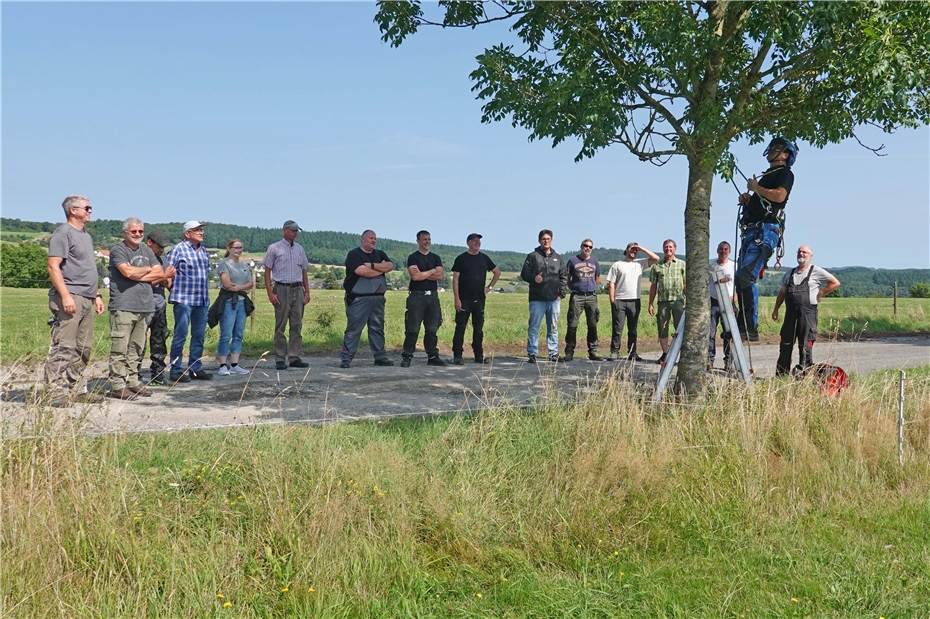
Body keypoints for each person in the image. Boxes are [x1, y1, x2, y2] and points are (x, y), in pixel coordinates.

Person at [44, 195, 106, 406]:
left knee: (83, 347)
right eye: (87, 207)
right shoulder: (63, 234)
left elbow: (88, 269)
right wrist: (65, 296)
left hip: (87, 297)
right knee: (64, 346)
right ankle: (54, 392)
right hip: (71, 296)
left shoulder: (85, 236)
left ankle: (76, 389)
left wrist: (96, 295)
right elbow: (53, 266)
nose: (90, 211)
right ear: (73, 210)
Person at [736, 136, 798, 342]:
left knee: (746, 276)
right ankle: (742, 323)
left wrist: (756, 189)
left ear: (786, 154)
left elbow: (779, 196)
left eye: (777, 148)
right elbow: (763, 202)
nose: (771, 150)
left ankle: (749, 326)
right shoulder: (768, 175)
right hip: (752, 231)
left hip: (764, 233)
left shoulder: (785, 174)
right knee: (740, 278)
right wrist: (749, 201)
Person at [106, 218, 169, 399]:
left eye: (141, 231)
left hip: (145, 306)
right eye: (134, 232)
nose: (138, 235)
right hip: (124, 305)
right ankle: (118, 384)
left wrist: (138, 272)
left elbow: (159, 273)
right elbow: (127, 272)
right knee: (120, 347)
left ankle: (132, 381)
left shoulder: (146, 250)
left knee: (137, 347)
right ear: (125, 232)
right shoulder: (118, 250)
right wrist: (147, 271)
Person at [772, 245, 840, 376]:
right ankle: (782, 375)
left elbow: (835, 282)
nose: (801, 254)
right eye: (799, 252)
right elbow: (782, 292)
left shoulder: (816, 271)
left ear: (810, 256)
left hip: (808, 315)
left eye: (804, 252)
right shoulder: (789, 273)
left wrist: (821, 292)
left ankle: (804, 375)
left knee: (805, 346)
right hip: (790, 315)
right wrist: (776, 309)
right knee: (786, 344)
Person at [340, 230, 395, 368]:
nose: (373, 240)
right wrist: (380, 269)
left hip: (377, 299)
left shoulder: (380, 253)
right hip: (359, 299)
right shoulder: (354, 254)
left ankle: (380, 357)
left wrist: (371, 265)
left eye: (375, 238)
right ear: (363, 239)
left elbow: (390, 266)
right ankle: (346, 359)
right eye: (371, 238)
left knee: (377, 328)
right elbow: (362, 272)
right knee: (354, 329)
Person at [167, 221, 212, 382]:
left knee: (199, 335)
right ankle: (175, 370)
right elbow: (167, 272)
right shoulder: (178, 249)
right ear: (187, 234)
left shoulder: (204, 251)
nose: (201, 232)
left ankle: (195, 368)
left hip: (201, 300)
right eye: (197, 230)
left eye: (202, 230)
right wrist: (172, 290)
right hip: (183, 299)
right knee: (181, 335)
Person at [263, 220, 310, 370]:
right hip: (281, 288)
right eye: (293, 230)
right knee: (281, 325)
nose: (295, 233)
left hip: (298, 289)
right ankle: (280, 358)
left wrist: (307, 291)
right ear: (285, 230)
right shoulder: (274, 248)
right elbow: (267, 271)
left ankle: (294, 356)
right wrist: (270, 293)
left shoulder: (300, 249)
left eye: (296, 231)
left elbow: (304, 272)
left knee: (297, 324)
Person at [451, 233, 500, 365]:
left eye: (478, 241)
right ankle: (457, 355)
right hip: (464, 299)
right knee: (460, 327)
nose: (477, 243)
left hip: (479, 300)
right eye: (474, 241)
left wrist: (489, 287)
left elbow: (497, 272)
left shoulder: (484, 258)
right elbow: (455, 279)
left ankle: (478, 355)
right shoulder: (461, 258)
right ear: (468, 243)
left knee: (478, 329)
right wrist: (457, 298)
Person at [520, 229, 568, 363]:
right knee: (534, 327)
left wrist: (562, 292)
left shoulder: (558, 257)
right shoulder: (532, 256)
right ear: (539, 240)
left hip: (554, 299)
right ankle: (532, 353)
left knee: (553, 328)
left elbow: (564, 276)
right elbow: (524, 274)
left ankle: (553, 353)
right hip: (537, 298)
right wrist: (533, 278)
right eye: (543, 239)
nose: (545, 241)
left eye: (548, 239)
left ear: (551, 240)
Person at [606, 241, 659, 362]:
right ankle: (614, 352)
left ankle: (632, 352)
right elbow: (611, 283)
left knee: (633, 329)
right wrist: (612, 300)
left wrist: (640, 248)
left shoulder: (639, 264)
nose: (634, 251)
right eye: (632, 249)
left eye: (636, 250)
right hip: (620, 300)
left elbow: (656, 258)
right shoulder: (617, 264)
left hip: (635, 300)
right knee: (617, 328)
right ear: (626, 250)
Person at [401, 230, 446, 367]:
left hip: (432, 296)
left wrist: (424, 273)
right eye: (424, 239)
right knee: (412, 328)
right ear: (418, 241)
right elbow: (415, 277)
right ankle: (407, 356)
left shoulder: (436, 257)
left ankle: (432, 356)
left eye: (429, 239)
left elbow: (440, 276)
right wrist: (432, 271)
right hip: (416, 296)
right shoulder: (413, 257)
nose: (427, 242)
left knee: (432, 328)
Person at [215, 239, 253, 376]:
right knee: (226, 334)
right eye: (236, 247)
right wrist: (240, 288)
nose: (239, 250)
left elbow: (250, 284)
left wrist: (238, 287)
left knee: (238, 334)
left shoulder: (244, 265)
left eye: (240, 247)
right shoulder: (223, 264)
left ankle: (235, 364)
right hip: (228, 302)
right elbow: (226, 284)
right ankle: (223, 364)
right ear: (229, 248)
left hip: (242, 302)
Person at [139, 230, 172, 385]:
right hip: (142, 304)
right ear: (149, 243)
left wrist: (166, 279)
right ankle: (135, 374)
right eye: (159, 247)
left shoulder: (162, 260)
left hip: (159, 304)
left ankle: (157, 373)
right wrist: (163, 276)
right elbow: (143, 283)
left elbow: (168, 284)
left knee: (159, 340)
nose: (161, 250)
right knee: (139, 341)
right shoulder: (141, 259)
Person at [648, 239, 686, 365]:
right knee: (662, 328)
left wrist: (689, 301)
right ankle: (666, 354)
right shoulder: (657, 266)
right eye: (666, 247)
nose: (668, 249)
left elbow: (686, 284)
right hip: (663, 301)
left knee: (680, 328)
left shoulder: (682, 264)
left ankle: (681, 356)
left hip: (678, 301)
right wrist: (650, 303)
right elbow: (653, 286)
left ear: (675, 249)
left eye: (670, 247)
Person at [564, 239, 602, 361]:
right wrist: (573, 288)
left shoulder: (595, 261)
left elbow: (597, 278)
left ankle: (593, 352)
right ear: (581, 247)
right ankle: (569, 352)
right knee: (572, 324)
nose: (587, 248)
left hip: (591, 296)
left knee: (592, 324)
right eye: (585, 246)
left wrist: (592, 287)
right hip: (577, 296)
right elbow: (567, 277)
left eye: (590, 247)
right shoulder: (573, 260)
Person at [708, 241, 737, 370]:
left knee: (728, 333)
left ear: (729, 252)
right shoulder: (711, 265)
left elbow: (738, 287)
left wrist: (735, 303)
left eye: (725, 249)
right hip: (713, 302)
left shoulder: (734, 266)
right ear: (717, 250)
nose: (723, 251)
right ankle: (709, 359)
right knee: (710, 333)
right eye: (721, 249)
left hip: (728, 303)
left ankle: (728, 361)